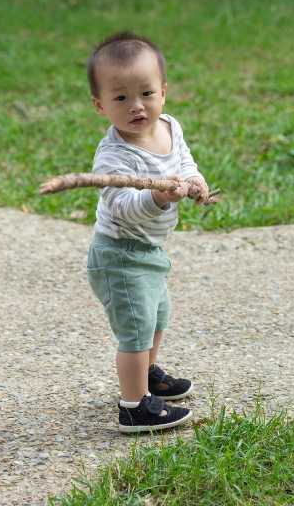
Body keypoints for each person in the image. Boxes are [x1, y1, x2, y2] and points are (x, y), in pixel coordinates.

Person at [84, 31, 210, 433]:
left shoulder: (169, 127)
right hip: (119, 254)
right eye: (121, 98)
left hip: (150, 250)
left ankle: (148, 375)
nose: (136, 106)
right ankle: (134, 405)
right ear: (100, 105)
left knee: (157, 316)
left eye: (146, 93)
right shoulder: (114, 155)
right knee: (135, 330)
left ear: (164, 92)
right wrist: (157, 199)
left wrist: (194, 180)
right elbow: (119, 203)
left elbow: (184, 160)